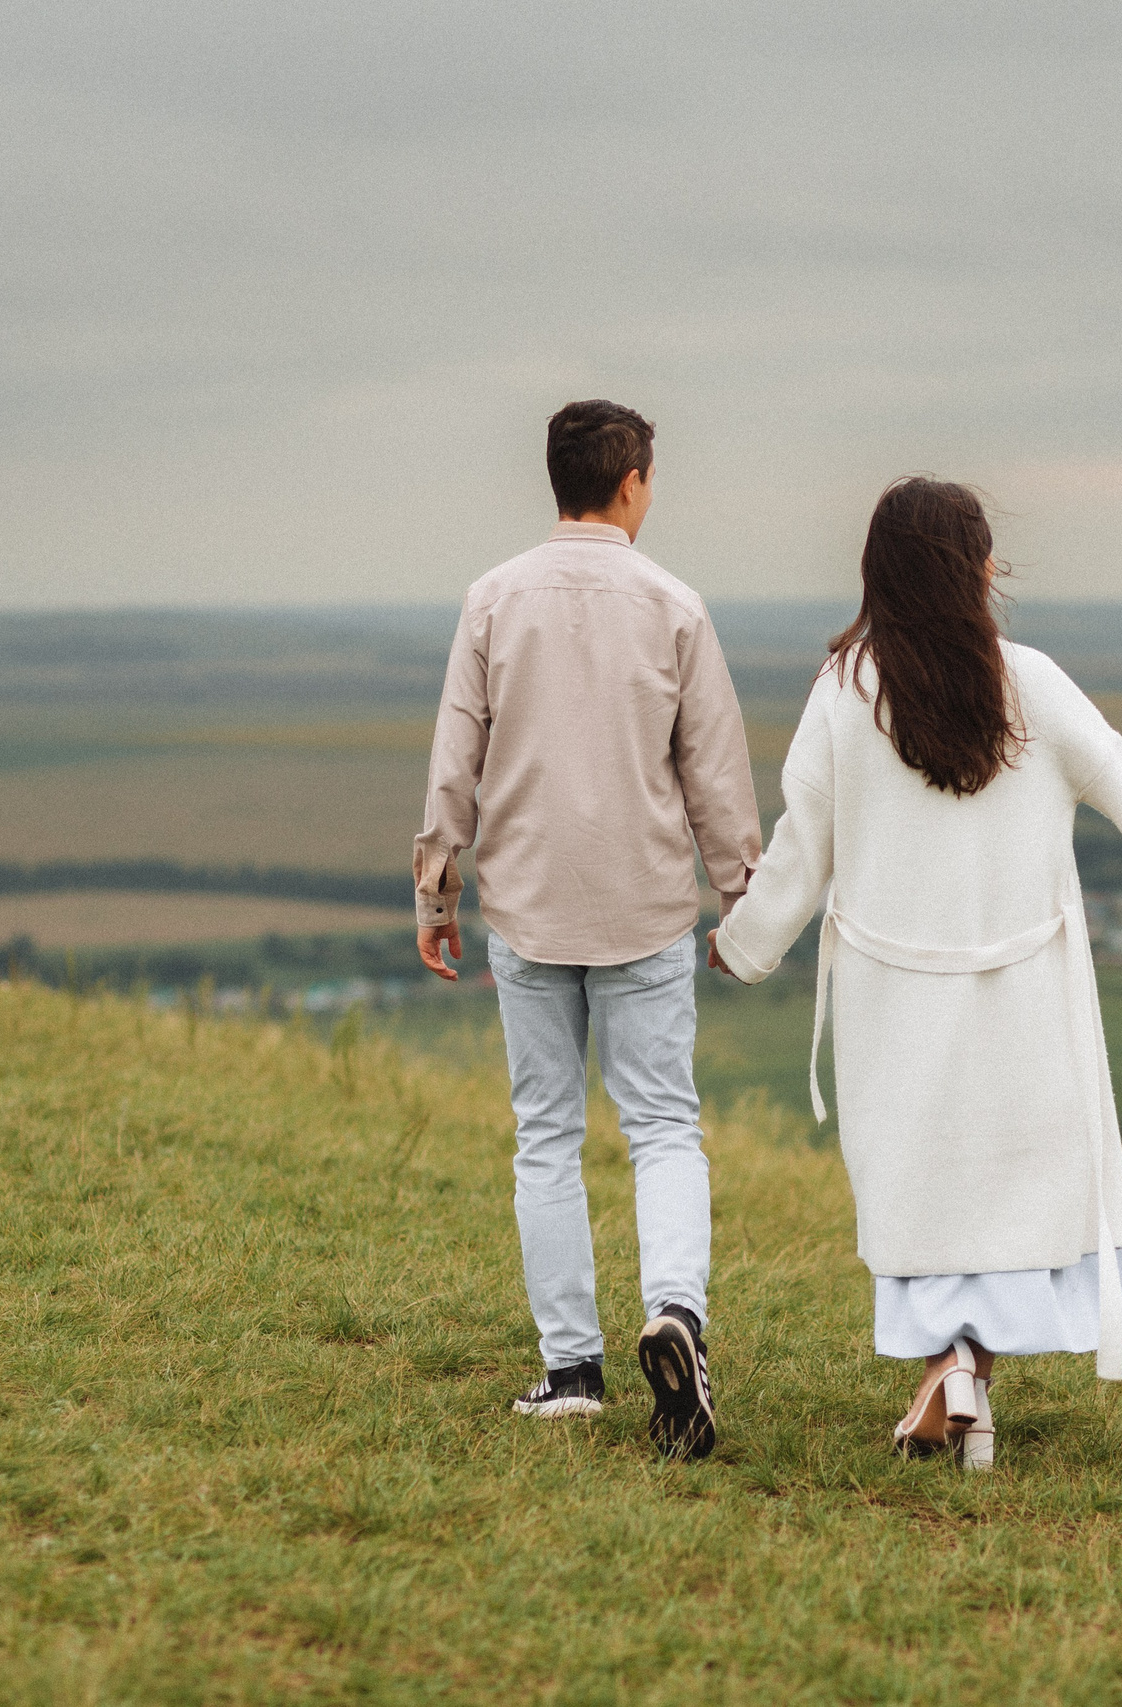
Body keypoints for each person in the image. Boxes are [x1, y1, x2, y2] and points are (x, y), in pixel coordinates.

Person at [709, 477, 1122, 1469]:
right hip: (1023, 992)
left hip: (888, 990)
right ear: (978, 568)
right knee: (1003, 1190)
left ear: (878, 572)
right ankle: (968, 1388)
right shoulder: (1031, 681)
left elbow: (801, 845)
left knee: (922, 1190)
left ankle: (951, 1376)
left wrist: (744, 942)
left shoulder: (843, 689)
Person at [415, 399, 761, 1461]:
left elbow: (453, 758)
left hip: (526, 903)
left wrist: (437, 889)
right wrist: (740, 892)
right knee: (661, 1126)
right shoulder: (674, 607)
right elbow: (714, 769)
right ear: (630, 483)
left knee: (545, 1136)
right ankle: (677, 1318)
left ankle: (570, 1368)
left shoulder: (491, 600)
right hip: (645, 906)